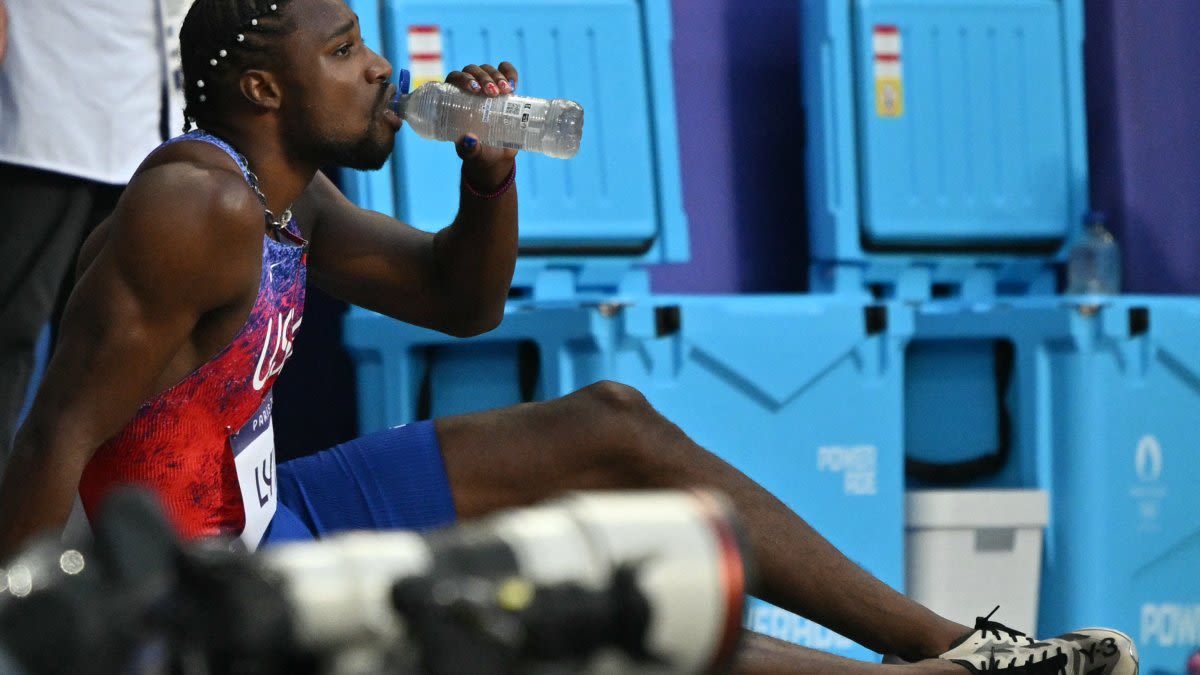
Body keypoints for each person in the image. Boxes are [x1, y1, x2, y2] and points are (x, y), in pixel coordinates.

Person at [0, 1, 1139, 673]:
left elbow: (461, 304)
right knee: (593, 602)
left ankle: (956, 648)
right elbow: (55, 435)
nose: (381, 66)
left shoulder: (292, 196)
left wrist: (488, 183)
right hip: (214, 587)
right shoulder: (191, 209)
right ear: (261, 84)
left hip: (277, 509)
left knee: (613, 426)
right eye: (345, 49)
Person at [0, 0, 190, 472]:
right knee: (10, 329)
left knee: (118, 343)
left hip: (161, 109)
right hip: (38, 95)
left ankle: (96, 525)